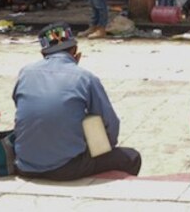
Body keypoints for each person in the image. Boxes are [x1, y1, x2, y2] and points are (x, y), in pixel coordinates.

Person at [13, 23, 141, 180]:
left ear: (43, 53)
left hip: (24, 165)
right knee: (132, 157)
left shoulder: (25, 72)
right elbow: (110, 124)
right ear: (75, 51)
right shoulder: (85, 77)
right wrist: (102, 148)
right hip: (66, 167)